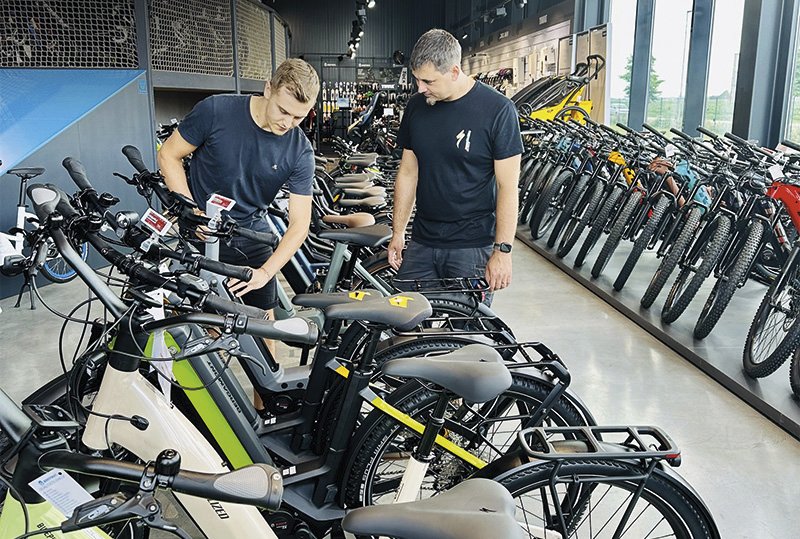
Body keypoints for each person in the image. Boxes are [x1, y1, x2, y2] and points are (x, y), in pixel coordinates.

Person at [158, 58, 319, 414]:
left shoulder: (299, 149)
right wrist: (190, 209)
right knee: (189, 333)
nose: (287, 123)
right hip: (199, 237)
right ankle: (185, 416)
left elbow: (299, 225)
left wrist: (267, 272)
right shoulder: (216, 111)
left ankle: (266, 410)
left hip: (251, 239)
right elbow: (169, 154)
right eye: (283, 111)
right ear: (267, 88)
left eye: (298, 117)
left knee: (265, 331)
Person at [387, 29, 522, 304]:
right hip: (423, 240)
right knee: (402, 327)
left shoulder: (498, 110)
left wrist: (503, 251)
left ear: (454, 71)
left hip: (471, 248)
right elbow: (408, 173)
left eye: (428, 81)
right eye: (417, 79)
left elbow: (508, 187)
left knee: (465, 338)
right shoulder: (416, 107)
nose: (420, 88)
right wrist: (398, 231)